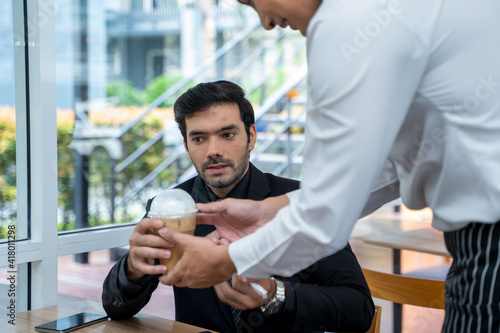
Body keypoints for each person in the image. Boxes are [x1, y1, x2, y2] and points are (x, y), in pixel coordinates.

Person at [159, 1, 500, 332]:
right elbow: (398, 166)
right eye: (199, 138)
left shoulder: (345, 23)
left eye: (251, 2)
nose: (263, 20)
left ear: (251, 135)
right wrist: (272, 210)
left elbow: (326, 220)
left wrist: (228, 259)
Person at [101, 80, 375, 333]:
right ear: (186, 146)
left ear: (251, 137)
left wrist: (276, 294)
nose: (213, 151)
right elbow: (115, 308)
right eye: (199, 139)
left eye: (227, 135)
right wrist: (132, 269)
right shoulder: (170, 207)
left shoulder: (298, 199)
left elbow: (360, 310)